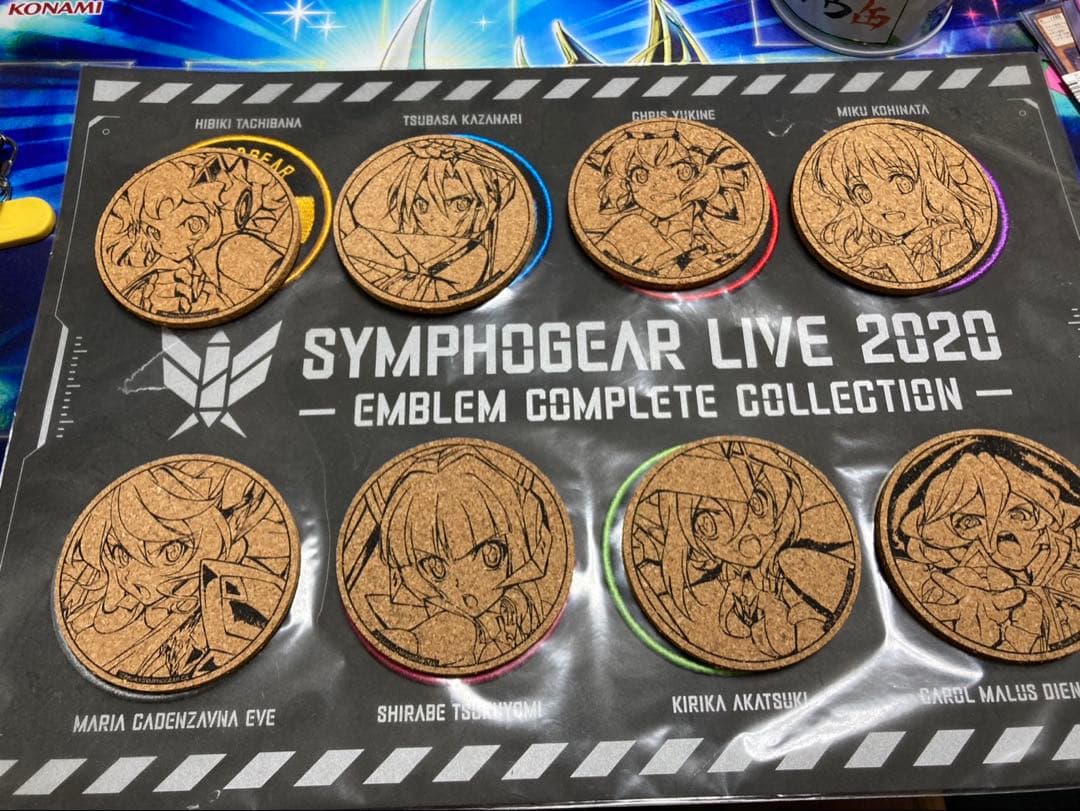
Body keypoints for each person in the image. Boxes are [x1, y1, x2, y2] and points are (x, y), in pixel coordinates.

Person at [58, 460, 288, 683]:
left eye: (171, 552)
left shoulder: (221, 603)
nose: (133, 576)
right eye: (121, 554)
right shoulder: (91, 607)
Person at [628, 441, 857, 662]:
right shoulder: (723, 586)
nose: (750, 538)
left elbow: (806, 632)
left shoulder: (793, 561)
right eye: (709, 525)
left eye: (757, 504)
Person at [357, 446, 553, 667]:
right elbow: (426, 639)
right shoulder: (457, 625)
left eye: (490, 555)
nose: (469, 596)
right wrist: (413, 642)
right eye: (436, 567)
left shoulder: (523, 598)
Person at [897, 442, 1080, 653]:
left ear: (1046, 520)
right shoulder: (944, 590)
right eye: (971, 522)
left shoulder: (1069, 583)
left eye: (1019, 514)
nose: (1001, 532)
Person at [100, 152, 292, 315]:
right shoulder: (158, 283)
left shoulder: (236, 236)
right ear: (155, 234)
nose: (221, 190)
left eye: (213, 173)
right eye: (193, 223)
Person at [810, 122, 992, 284]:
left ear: (927, 182)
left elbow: (944, 299)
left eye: (902, 183)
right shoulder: (875, 252)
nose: (885, 203)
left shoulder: (951, 238)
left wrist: (895, 259)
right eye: (863, 193)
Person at [339, 138, 517, 303]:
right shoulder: (403, 247)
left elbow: (368, 243)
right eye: (421, 204)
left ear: (485, 207)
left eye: (459, 204)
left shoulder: (473, 254)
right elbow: (362, 215)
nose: (436, 220)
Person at [591, 126, 760, 279]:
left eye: (682, 171)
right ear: (626, 184)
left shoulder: (709, 230)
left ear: (697, 173)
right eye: (641, 176)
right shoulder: (633, 228)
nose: (660, 187)